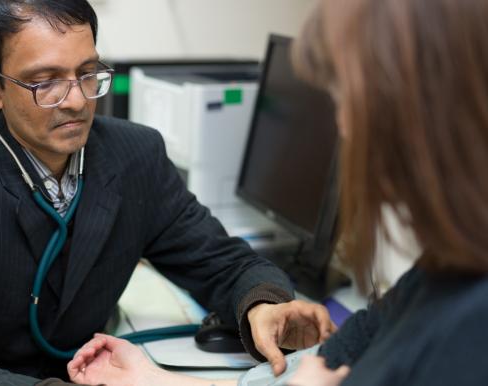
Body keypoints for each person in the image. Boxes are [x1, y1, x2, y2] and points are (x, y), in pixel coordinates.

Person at [0, 1, 334, 385]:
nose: (75, 100)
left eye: (87, 73)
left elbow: (223, 263)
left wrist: (263, 304)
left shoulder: (135, 157)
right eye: (45, 82)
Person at [68, 0, 488, 385]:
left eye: (350, 101)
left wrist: (260, 305)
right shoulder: (435, 276)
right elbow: (323, 364)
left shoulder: (468, 328)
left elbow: (222, 264)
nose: (344, 128)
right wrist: (153, 380)